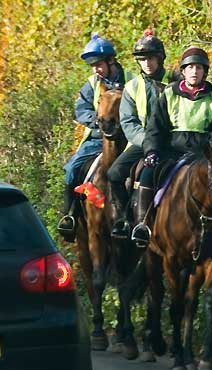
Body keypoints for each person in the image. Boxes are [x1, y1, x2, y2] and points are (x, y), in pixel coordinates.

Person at [131, 46, 212, 247]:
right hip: (172, 152)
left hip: (203, 154)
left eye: (199, 68)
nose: (195, 71)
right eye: (190, 67)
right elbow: (155, 129)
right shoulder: (169, 94)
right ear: (183, 71)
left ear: (205, 72)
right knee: (147, 173)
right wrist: (151, 151)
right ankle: (143, 225)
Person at [57, 33, 134, 241]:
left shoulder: (131, 81)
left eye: (98, 64)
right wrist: (99, 121)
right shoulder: (91, 84)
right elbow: (81, 110)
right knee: (71, 170)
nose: (95, 69)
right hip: (96, 139)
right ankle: (70, 216)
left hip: (126, 139)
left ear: (111, 61)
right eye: (92, 65)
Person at [108, 30, 171, 240]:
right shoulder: (132, 87)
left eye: (150, 58)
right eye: (142, 59)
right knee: (114, 174)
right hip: (142, 142)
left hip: (172, 142)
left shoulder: (176, 82)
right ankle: (123, 219)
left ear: (160, 58)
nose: (147, 63)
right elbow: (128, 122)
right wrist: (147, 142)